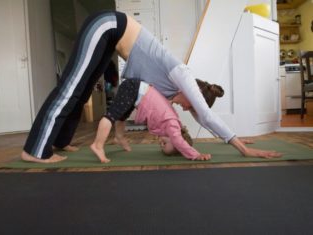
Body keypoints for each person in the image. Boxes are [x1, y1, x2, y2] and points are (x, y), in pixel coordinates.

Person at [21, 10, 281, 163]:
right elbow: (206, 114)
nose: (181, 108)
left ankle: (62, 140)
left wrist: (229, 138)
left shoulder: (174, 93)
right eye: (187, 106)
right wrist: (244, 149)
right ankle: (34, 150)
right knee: (71, 87)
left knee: (85, 88)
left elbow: (203, 118)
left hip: (111, 38)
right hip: (108, 25)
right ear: (193, 95)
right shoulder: (183, 75)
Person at [90, 79, 222, 163]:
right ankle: (98, 145)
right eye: (166, 146)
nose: (161, 144)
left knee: (122, 115)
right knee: (112, 115)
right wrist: (196, 155)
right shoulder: (173, 126)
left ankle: (119, 137)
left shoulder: (172, 123)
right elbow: (178, 141)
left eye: (162, 147)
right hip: (136, 89)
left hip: (137, 92)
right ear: (176, 141)